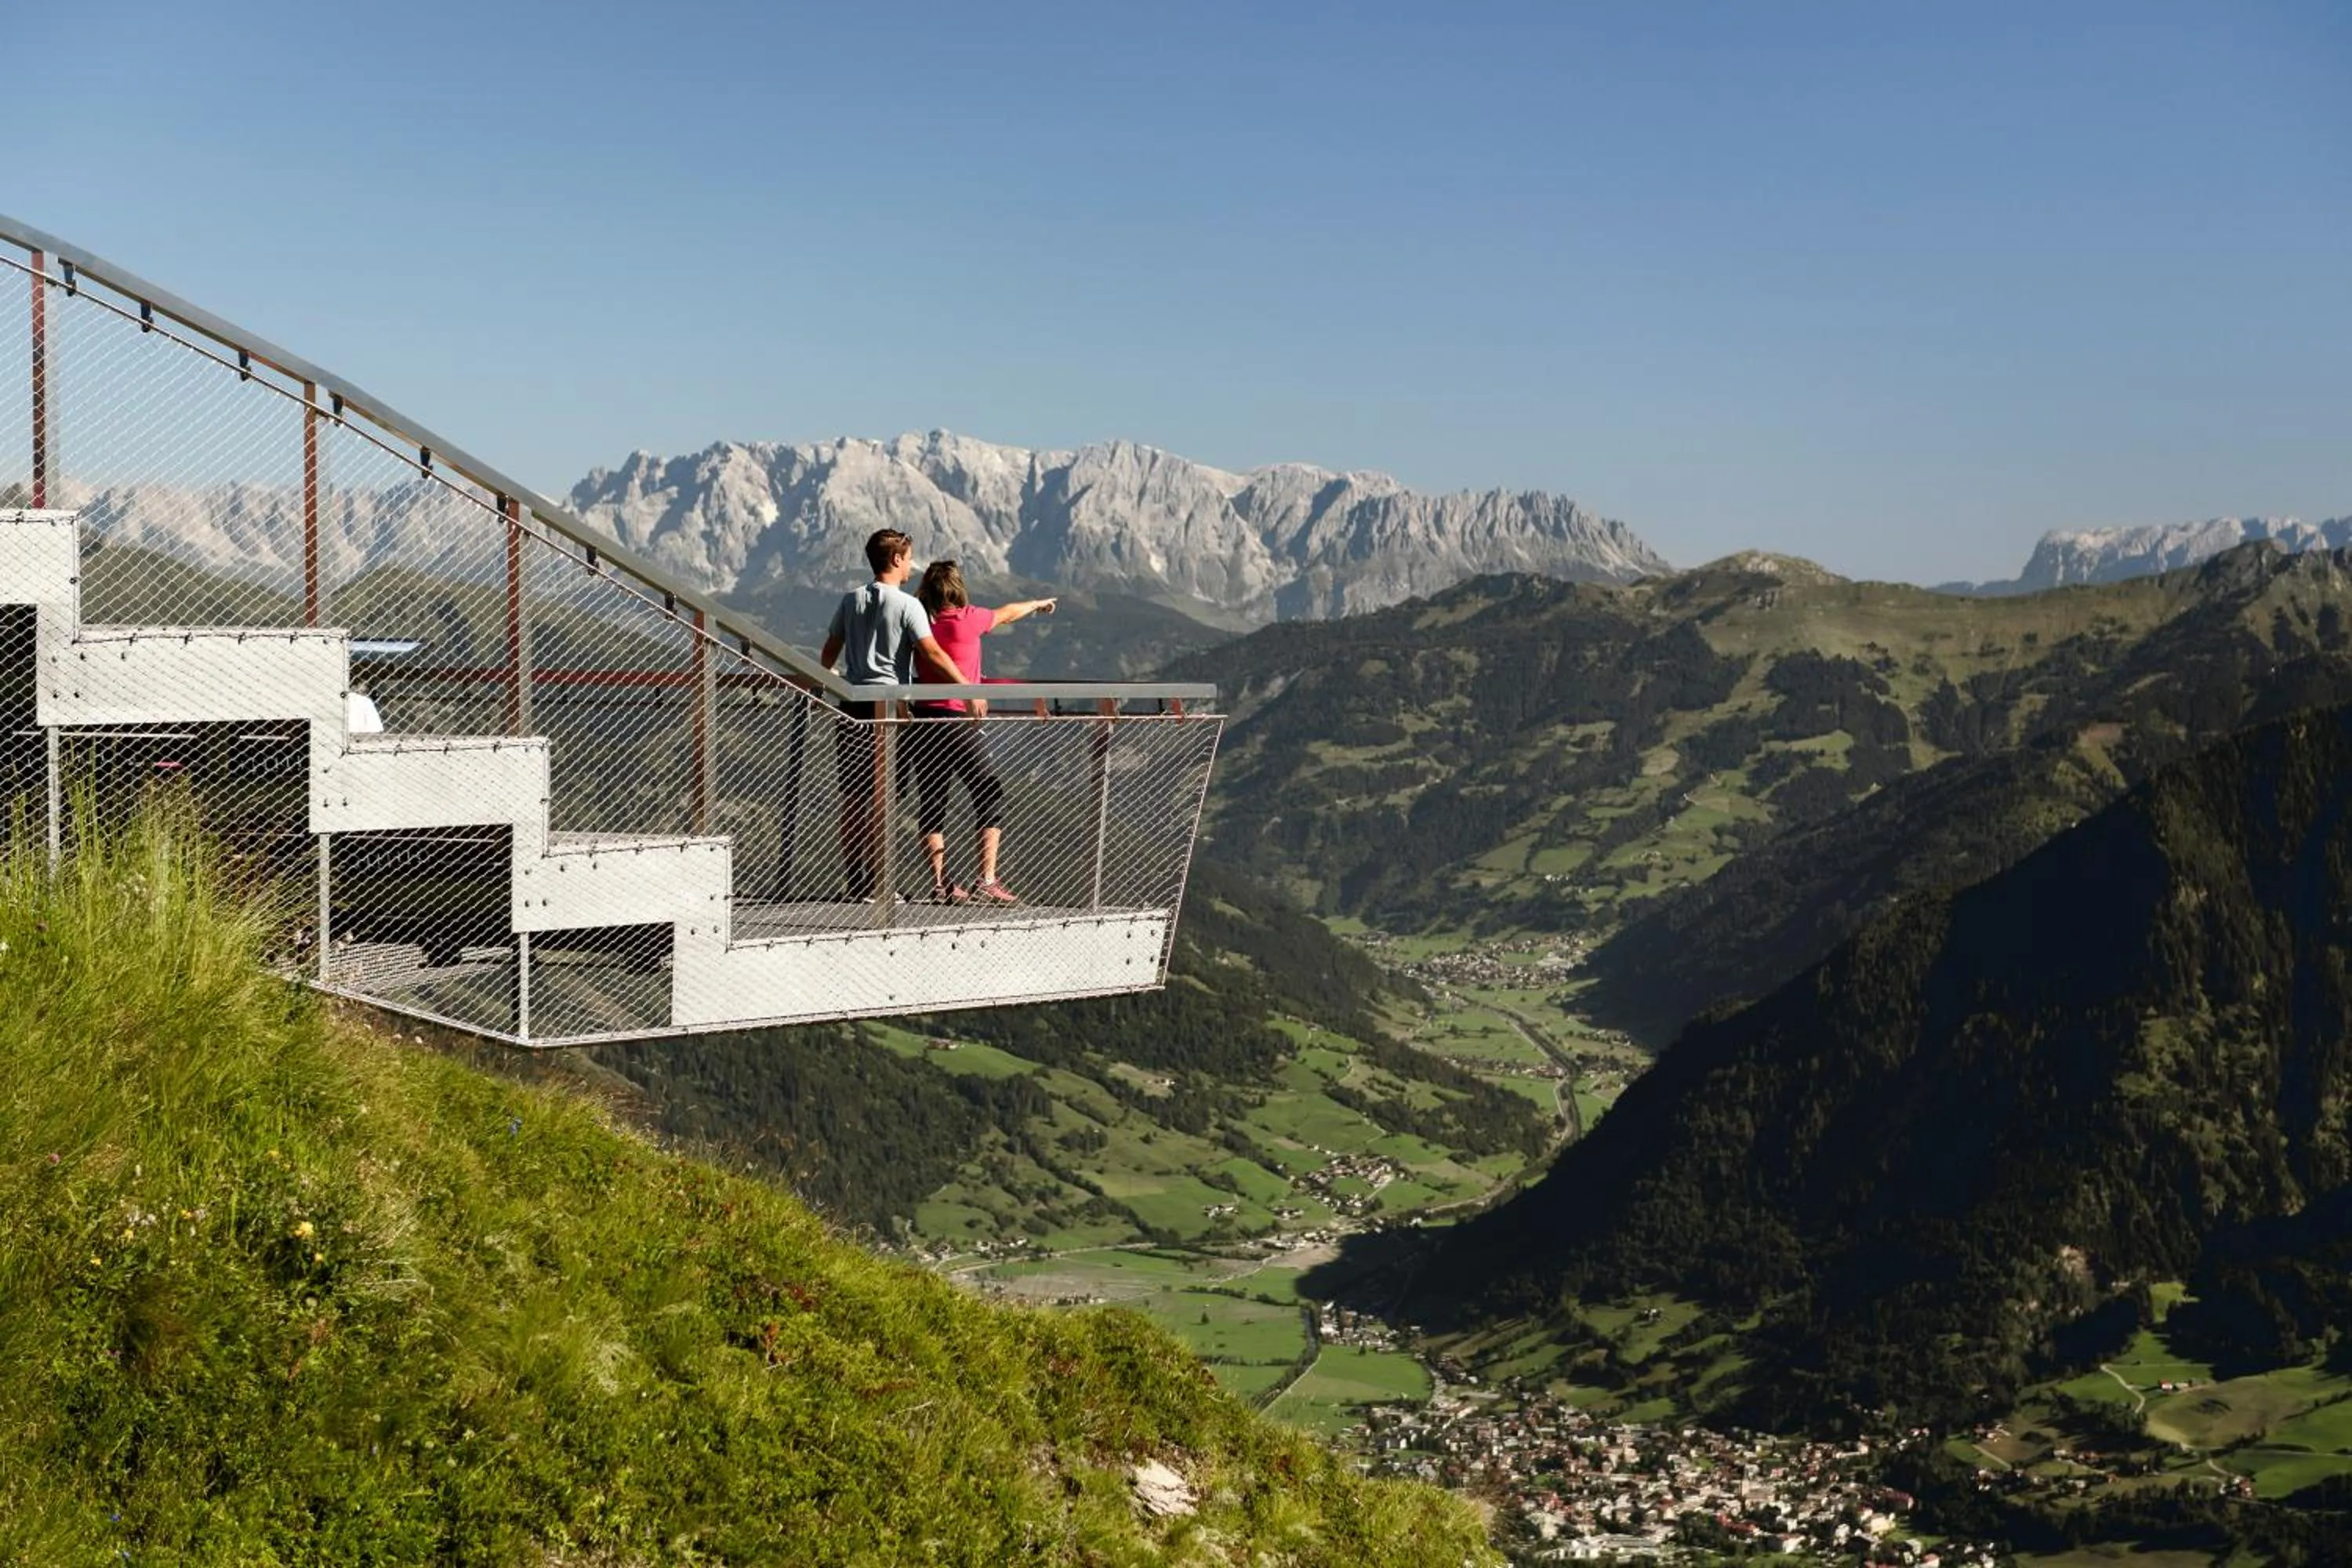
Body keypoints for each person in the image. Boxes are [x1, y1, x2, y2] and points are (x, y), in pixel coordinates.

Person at [817, 529, 967, 900]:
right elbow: (931, 653)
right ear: (897, 559)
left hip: (853, 704)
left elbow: (830, 649)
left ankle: (857, 882)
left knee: (854, 796)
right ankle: (879, 883)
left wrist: (829, 675)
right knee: (882, 798)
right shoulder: (908, 605)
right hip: (890, 709)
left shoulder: (851, 600)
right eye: (909, 558)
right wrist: (967, 688)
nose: (912, 566)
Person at [909, 560, 1056, 905]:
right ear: (958, 589)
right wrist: (1037, 604)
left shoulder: (920, 623)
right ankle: (986, 879)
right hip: (959, 720)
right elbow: (1007, 613)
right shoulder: (968, 618)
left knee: (932, 799)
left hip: (924, 719)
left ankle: (941, 884)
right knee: (989, 790)